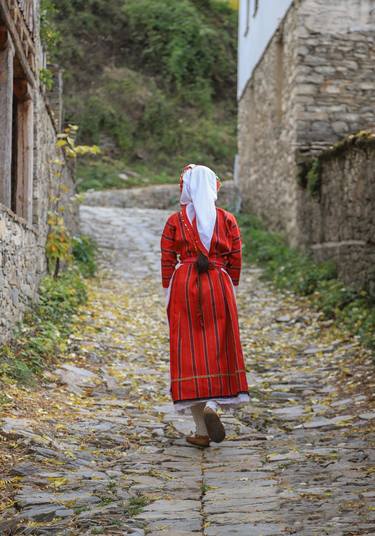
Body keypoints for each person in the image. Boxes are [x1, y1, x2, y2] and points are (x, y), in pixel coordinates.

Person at [160, 164, 249, 447]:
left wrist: (168, 288)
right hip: (218, 284)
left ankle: (200, 430)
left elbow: (166, 258)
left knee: (190, 353)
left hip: (185, 285)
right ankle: (213, 403)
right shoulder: (227, 220)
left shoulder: (175, 221)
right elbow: (235, 258)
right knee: (220, 346)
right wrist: (228, 283)